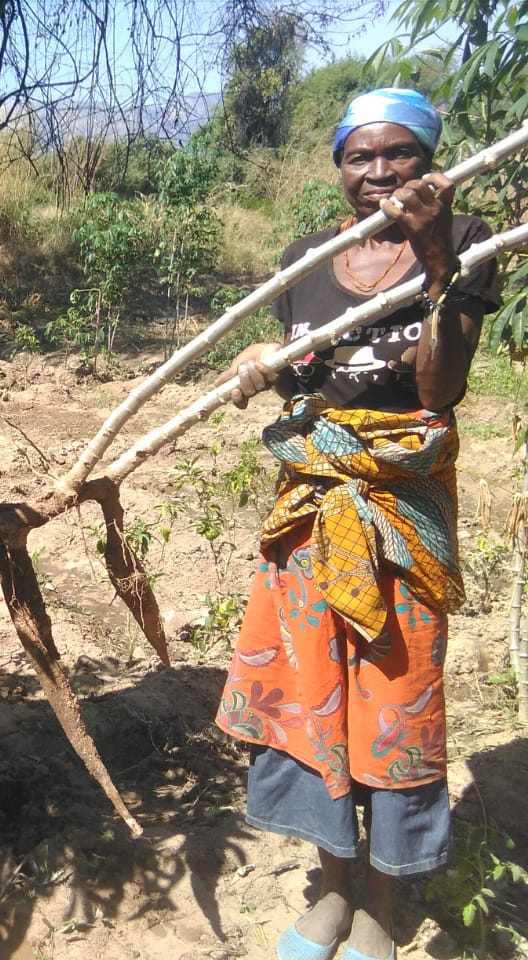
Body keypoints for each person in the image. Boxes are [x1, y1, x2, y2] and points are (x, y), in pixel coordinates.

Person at [213, 88, 500, 960]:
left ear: (430, 158)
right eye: (358, 157)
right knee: (315, 696)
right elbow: (307, 374)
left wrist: (435, 258)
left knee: (397, 699)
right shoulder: (309, 256)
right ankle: (332, 885)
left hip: (401, 513)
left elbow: (436, 390)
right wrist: (262, 363)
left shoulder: (470, 238)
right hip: (313, 508)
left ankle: (380, 899)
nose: (378, 173)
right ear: (338, 165)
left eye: (398, 153)